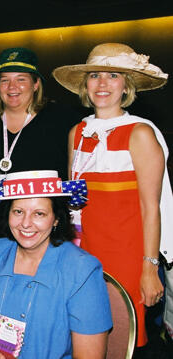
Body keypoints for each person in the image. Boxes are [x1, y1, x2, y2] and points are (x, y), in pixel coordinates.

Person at [53, 42, 172, 350]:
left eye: (113, 75)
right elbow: (73, 203)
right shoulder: (75, 132)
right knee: (81, 340)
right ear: (85, 85)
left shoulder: (140, 133)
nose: (102, 83)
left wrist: (149, 267)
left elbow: (151, 208)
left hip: (127, 258)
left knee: (121, 342)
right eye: (94, 75)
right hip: (82, 253)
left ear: (126, 86)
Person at [0, 170, 112, 359]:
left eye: (39, 214)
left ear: (56, 218)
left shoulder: (82, 271)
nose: (26, 223)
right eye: (18, 211)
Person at [0, 47, 81, 240]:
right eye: (5, 80)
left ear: (36, 84)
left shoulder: (61, 120)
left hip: (38, 231)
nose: (12, 87)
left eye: (21, 79)